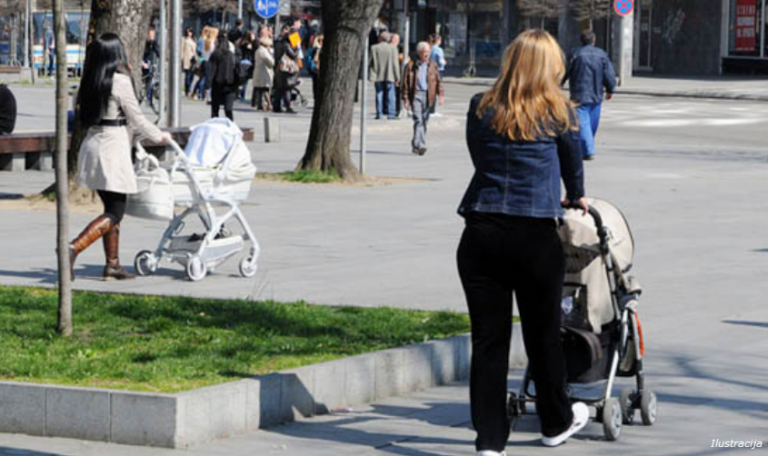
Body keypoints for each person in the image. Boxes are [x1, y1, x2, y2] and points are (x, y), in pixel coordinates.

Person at [457, 30, 590, 456]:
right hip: (534, 235)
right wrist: (574, 194)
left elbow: (481, 159)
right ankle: (556, 420)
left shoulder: (481, 106)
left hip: (482, 232)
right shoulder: (560, 112)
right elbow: (574, 169)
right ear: (550, 66)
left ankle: (490, 442)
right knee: (543, 333)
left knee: (488, 342)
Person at [71, 33, 170, 281]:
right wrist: (159, 136)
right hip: (112, 147)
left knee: (110, 207)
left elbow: (78, 113)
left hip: (93, 143)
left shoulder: (88, 82)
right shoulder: (120, 82)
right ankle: (73, 247)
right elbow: (137, 118)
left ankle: (112, 264)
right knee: (115, 212)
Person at [563, 29, 617, 161]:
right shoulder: (601, 55)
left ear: (581, 41)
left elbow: (564, 71)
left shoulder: (575, 54)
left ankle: (586, 146)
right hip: (596, 95)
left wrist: (557, 84)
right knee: (590, 124)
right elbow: (609, 74)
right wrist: (610, 90)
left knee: (585, 125)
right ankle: (588, 150)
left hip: (579, 94)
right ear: (594, 41)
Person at [402, 41, 443, 156]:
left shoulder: (432, 65)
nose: (427, 55)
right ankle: (421, 145)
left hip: (429, 95)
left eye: (428, 52)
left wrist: (440, 95)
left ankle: (416, 144)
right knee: (418, 119)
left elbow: (438, 81)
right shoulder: (410, 66)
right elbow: (405, 83)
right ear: (419, 53)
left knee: (424, 121)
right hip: (416, 95)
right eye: (425, 52)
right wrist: (405, 99)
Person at [208, 30, 239, 121]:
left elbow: (212, 70)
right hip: (230, 85)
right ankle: (231, 127)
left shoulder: (215, 54)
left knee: (215, 110)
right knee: (228, 109)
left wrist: (208, 85)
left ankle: (214, 128)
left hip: (217, 84)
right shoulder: (232, 54)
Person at [369, 31, 400, 120]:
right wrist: (397, 77)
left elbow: (369, 61)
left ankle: (379, 114)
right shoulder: (393, 49)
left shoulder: (374, 48)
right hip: (390, 75)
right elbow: (395, 64)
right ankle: (391, 114)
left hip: (377, 75)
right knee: (391, 94)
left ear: (380, 38)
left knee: (379, 94)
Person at [273, 25, 300, 114]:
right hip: (286, 69)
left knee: (279, 88)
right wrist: (298, 48)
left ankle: (276, 106)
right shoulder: (286, 45)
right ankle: (288, 107)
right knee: (287, 88)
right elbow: (293, 55)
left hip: (279, 68)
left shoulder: (278, 43)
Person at [252, 36, 274, 111]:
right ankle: (269, 104)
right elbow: (270, 62)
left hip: (259, 72)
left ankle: (260, 104)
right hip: (264, 72)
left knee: (260, 89)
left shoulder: (258, 50)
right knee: (265, 89)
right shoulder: (264, 52)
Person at [428, 34, 447, 116]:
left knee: (430, 89)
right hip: (438, 70)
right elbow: (441, 61)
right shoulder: (439, 50)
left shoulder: (430, 48)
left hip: (430, 69)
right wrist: (444, 62)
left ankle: (430, 109)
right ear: (438, 40)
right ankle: (432, 110)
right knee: (436, 89)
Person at [142, 27, 160, 103]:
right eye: (151, 35)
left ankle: (149, 97)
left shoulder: (153, 43)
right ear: (147, 35)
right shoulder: (143, 43)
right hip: (142, 62)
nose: (152, 37)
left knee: (150, 78)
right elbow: (137, 55)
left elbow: (158, 51)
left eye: (153, 35)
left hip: (149, 63)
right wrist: (142, 63)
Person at [182, 28, 198, 97]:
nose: (189, 33)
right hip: (186, 59)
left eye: (190, 32)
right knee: (187, 76)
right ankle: (187, 90)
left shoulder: (194, 40)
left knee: (192, 76)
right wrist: (182, 59)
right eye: (188, 32)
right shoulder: (184, 40)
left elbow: (195, 51)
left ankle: (190, 90)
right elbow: (182, 49)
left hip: (193, 60)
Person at [307, 34, 323, 103]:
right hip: (317, 69)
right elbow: (315, 60)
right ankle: (317, 98)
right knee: (317, 84)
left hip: (314, 69)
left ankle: (316, 98)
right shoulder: (317, 49)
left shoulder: (313, 49)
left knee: (315, 84)